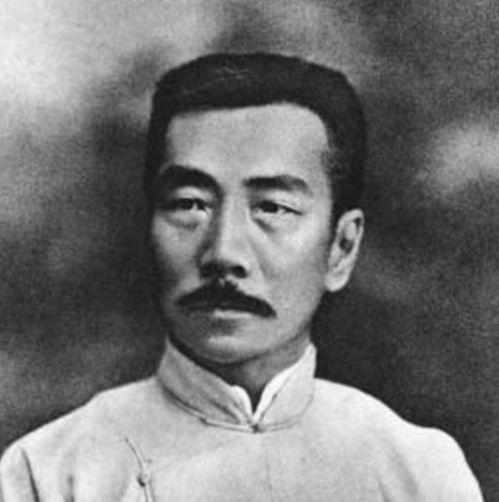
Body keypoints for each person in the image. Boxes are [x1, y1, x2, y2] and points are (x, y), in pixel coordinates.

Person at [0, 53, 483, 501]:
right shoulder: (47, 473)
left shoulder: (417, 470)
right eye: (190, 204)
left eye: (273, 207)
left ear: (341, 248)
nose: (224, 253)